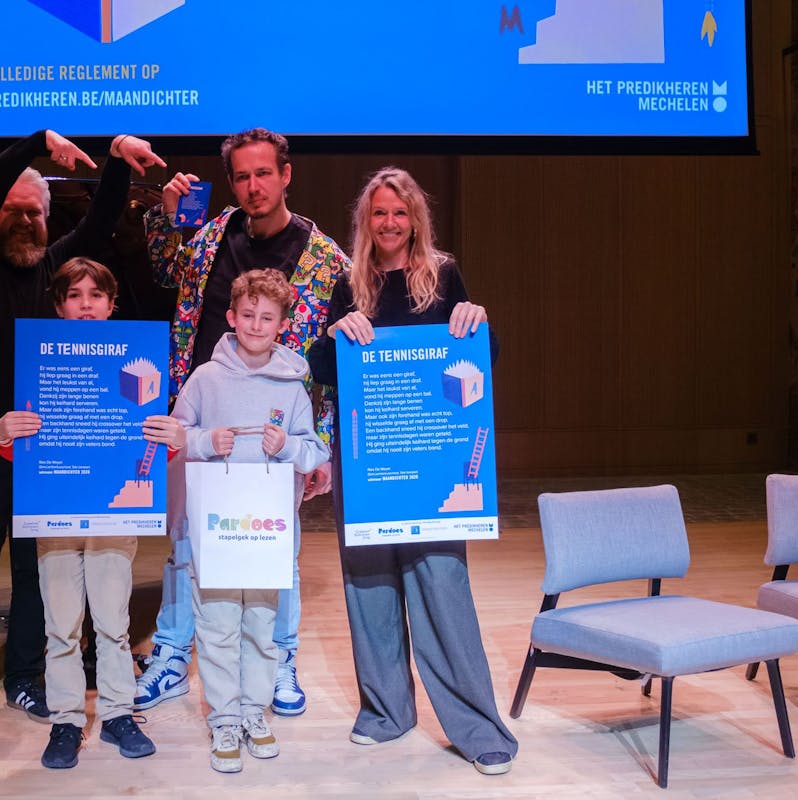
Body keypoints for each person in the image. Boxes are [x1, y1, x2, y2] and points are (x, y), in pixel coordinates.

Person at [0, 129, 166, 734]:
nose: (25, 220)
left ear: (48, 219)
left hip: (45, 458)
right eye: (13, 210)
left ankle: (25, 680)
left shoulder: (53, 269)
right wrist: (34, 144)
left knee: (34, 577)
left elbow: (101, 222)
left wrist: (114, 160)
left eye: (34, 212)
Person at [306, 168, 519, 775]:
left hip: (431, 464)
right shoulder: (348, 283)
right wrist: (334, 333)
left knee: (442, 589)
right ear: (365, 221)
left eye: (400, 213)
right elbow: (322, 368)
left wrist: (478, 320)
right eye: (379, 213)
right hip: (368, 460)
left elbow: (481, 356)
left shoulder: (443, 276)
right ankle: (387, 712)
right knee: (369, 588)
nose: (390, 223)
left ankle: (477, 726)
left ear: (416, 219)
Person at [135, 128, 350, 716]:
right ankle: (173, 655)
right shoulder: (210, 238)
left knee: (275, 553)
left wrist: (321, 448)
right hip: (203, 420)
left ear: (286, 175)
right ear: (231, 181)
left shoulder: (327, 260)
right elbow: (163, 271)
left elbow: (335, 364)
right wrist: (166, 216)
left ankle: (279, 660)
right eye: (242, 176)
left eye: (264, 174)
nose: (253, 186)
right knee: (185, 545)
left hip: (275, 435)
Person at [0, 257, 184, 768]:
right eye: (74, 296)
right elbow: (20, 449)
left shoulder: (135, 357)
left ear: (111, 303)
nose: (85, 306)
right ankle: (67, 720)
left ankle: (118, 713)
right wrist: (3, 432)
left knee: (113, 623)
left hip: (112, 516)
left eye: (95, 295)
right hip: (56, 512)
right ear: (59, 305)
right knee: (61, 626)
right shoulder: (39, 359)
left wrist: (173, 438)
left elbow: (148, 446)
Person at [171, 268, 331, 772]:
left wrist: (287, 447)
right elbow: (175, 435)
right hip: (217, 527)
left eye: (267, 318)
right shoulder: (205, 378)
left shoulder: (293, 385)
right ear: (231, 317)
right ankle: (223, 717)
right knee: (217, 623)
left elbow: (314, 450)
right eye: (248, 315)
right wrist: (205, 441)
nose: (256, 325)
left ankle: (253, 711)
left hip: (268, 530)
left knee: (262, 624)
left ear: (283, 324)